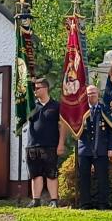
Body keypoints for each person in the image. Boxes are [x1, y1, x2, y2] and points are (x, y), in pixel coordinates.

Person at [25, 78, 65, 208]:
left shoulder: (56, 106)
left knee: (51, 173)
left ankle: (54, 200)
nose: (35, 91)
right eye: (34, 88)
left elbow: (62, 126)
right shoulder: (31, 106)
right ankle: (36, 200)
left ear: (46, 88)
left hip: (50, 145)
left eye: (37, 88)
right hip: (33, 145)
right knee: (35, 174)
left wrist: (61, 144)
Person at [77, 85, 112, 210]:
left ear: (98, 94)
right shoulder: (81, 111)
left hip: (101, 149)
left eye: (93, 93)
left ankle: (102, 204)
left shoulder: (105, 110)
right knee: (84, 178)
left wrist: (111, 148)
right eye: (89, 93)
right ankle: (85, 204)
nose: (91, 95)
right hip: (84, 149)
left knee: (102, 178)